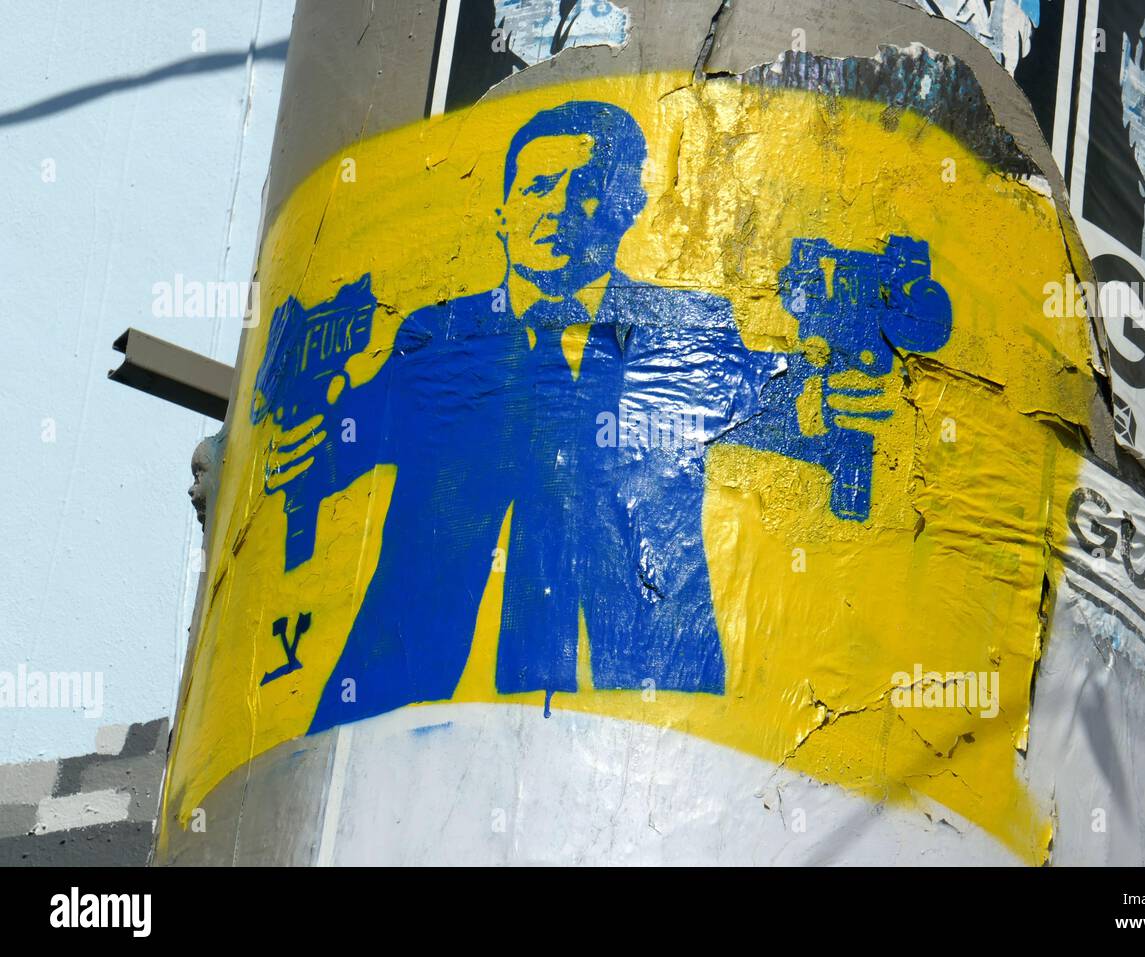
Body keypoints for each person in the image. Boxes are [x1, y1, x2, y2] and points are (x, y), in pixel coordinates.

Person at [259, 100, 942, 734]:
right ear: (500, 212)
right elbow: (335, 440)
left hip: (650, 733)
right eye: (534, 189)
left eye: (583, 187)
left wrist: (826, 402)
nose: (555, 209)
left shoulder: (684, 328)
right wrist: (301, 452)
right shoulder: (439, 339)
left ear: (626, 208)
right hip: (406, 726)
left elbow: (769, 397)